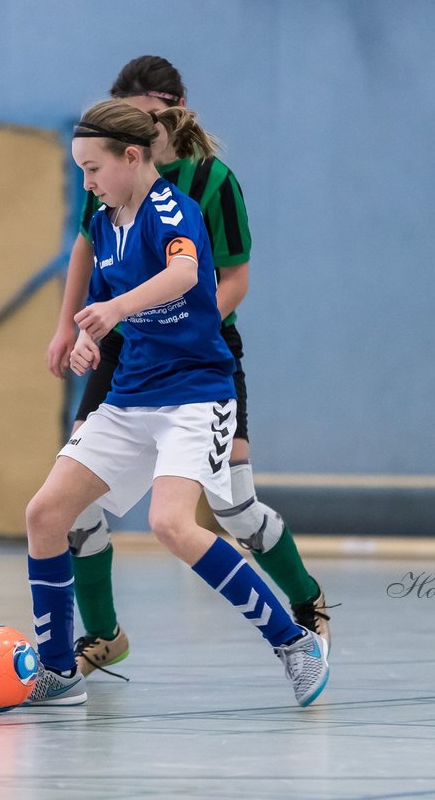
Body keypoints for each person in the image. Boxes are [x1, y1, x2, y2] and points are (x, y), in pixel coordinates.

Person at [24, 100, 329, 708]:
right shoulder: (108, 221)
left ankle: (293, 640)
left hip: (195, 396)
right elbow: (106, 304)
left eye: (92, 169)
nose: (86, 183)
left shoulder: (171, 208)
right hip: (131, 395)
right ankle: (58, 673)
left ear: (132, 157)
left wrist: (113, 311)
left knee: (170, 524)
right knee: (44, 515)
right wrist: (89, 338)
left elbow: (186, 275)